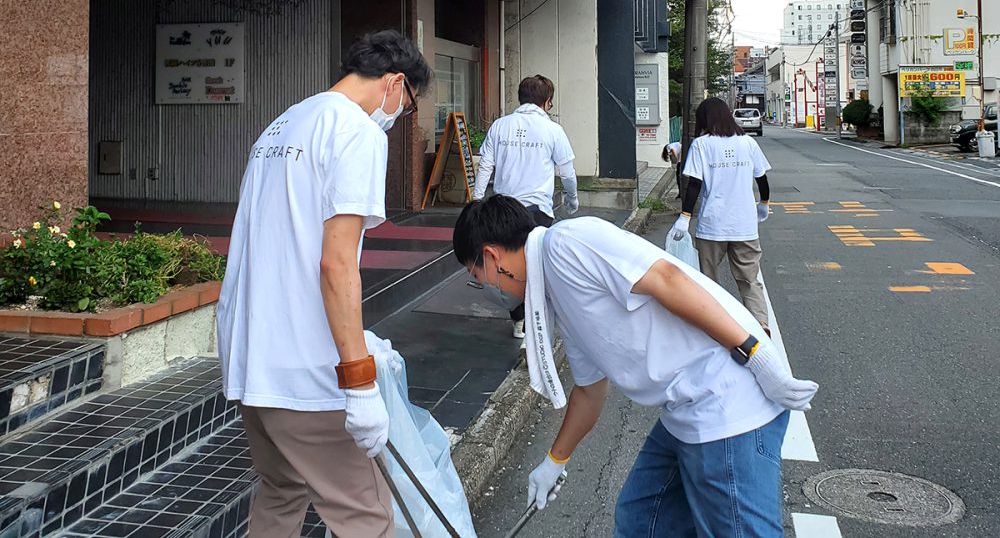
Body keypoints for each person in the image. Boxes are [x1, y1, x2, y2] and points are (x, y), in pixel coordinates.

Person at [453, 196, 817, 536]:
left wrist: (754, 353)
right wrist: (554, 460)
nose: (484, 286)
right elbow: (590, 390)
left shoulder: (567, 244)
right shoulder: (555, 293)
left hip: (726, 399)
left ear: (491, 256)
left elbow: (666, 278)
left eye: (476, 275)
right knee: (642, 518)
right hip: (685, 407)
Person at [216, 30, 431, 538]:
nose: (400, 115)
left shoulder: (282, 123)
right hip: (306, 371)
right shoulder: (356, 132)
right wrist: (358, 383)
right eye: (408, 103)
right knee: (365, 516)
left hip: (249, 362)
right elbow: (337, 264)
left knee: (281, 494)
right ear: (395, 83)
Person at [472, 74, 579, 339]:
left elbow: (486, 164)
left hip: (503, 210)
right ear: (547, 101)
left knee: (508, 266)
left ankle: (518, 319)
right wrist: (572, 200)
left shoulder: (500, 125)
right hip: (537, 211)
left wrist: (476, 201)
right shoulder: (553, 130)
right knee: (534, 266)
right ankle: (535, 323)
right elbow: (567, 173)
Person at [670, 97, 773, 334]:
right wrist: (763, 203)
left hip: (712, 225)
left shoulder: (701, 145)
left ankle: (715, 328)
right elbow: (762, 178)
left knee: (708, 281)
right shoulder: (747, 142)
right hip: (744, 224)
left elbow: (694, 184)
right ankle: (761, 324)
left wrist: (685, 216)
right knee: (749, 280)